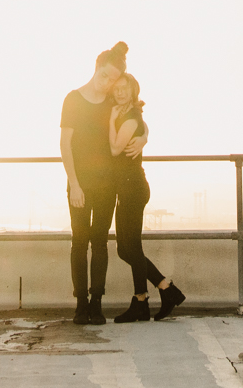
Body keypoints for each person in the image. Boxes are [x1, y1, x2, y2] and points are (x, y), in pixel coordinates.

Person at [60, 41, 129, 324]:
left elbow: (136, 115)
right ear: (96, 68)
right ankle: (81, 305)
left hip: (106, 185)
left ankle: (97, 302)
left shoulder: (113, 102)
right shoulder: (73, 99)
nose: (107, 83)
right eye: (105, 76)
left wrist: (144, 136)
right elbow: (65, 144)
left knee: (100, 243)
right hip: (79, 183)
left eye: (113, 80)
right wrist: (74, 184)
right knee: (79, 241)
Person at [107, 73, 184, 321]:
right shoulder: (127, 112)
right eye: (117, 88)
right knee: (127, 249)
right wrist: (145, 136)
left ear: (133, 91)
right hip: (127, 187)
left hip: (133, 188)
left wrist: (111, 121)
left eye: (124, 88)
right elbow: (143, 125)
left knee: (129, 248)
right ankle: (163, 290)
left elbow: (115, 148)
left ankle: (146, 299)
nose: (120, 92)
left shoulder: (125, 116)